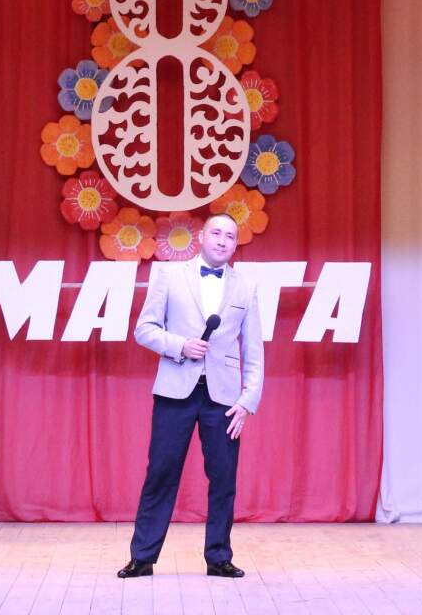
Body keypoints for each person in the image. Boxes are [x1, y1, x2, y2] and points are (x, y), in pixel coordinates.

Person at [117, 213, 263, 579]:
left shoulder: (246, 286)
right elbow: (144, 329)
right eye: (216, 233)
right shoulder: (169, 276)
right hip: (175, 391)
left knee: (224, 478)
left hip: (224, 398)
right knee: (161, 473)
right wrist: (180, 345)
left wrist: (248, 400)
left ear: (236, 244)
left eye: (230, 236)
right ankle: (142, 557)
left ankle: (218, 557)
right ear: (201, 237)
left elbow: (254, 348)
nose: (222, 241)